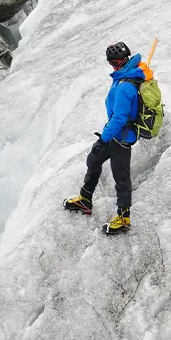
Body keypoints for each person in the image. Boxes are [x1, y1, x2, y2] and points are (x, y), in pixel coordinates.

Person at [63, 42, 146, 236]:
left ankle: (124, 218)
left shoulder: (126, 85)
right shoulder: (125, 76)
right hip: (115, 133)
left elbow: (119, 118)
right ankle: (85, 199)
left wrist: (104, 139)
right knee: (94, 158)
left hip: (121, 137)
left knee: (121, 177)